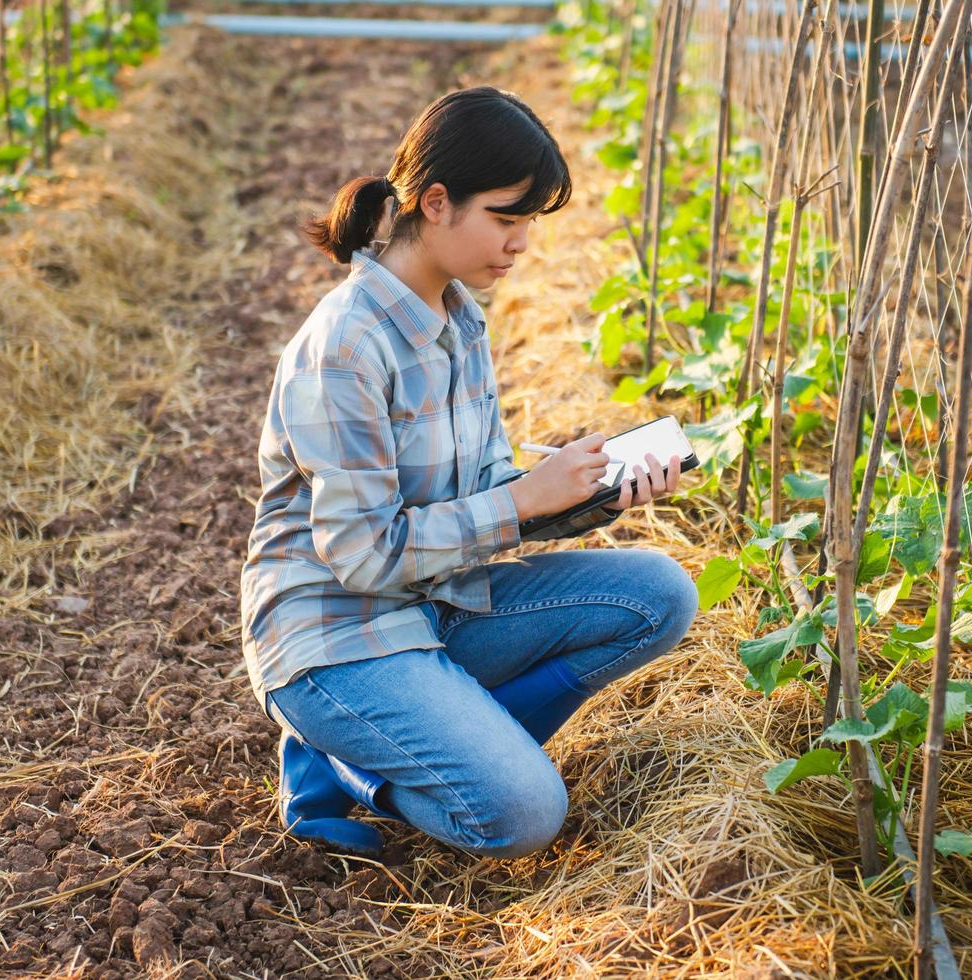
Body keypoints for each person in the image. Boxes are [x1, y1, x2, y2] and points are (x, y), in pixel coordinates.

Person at [238, 87, 699, 860]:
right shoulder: (345, 348)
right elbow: (359, 554)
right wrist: (519, 501)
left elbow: (488, 490)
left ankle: (433, 730)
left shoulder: (461, 318)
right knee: (521, 814)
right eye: (506, 218)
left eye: (529, 224)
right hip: (334, 634)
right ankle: (350, 761)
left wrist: (584, 492)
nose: (520, 244)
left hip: (437, 605)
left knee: (659, 596)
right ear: (437, 202)